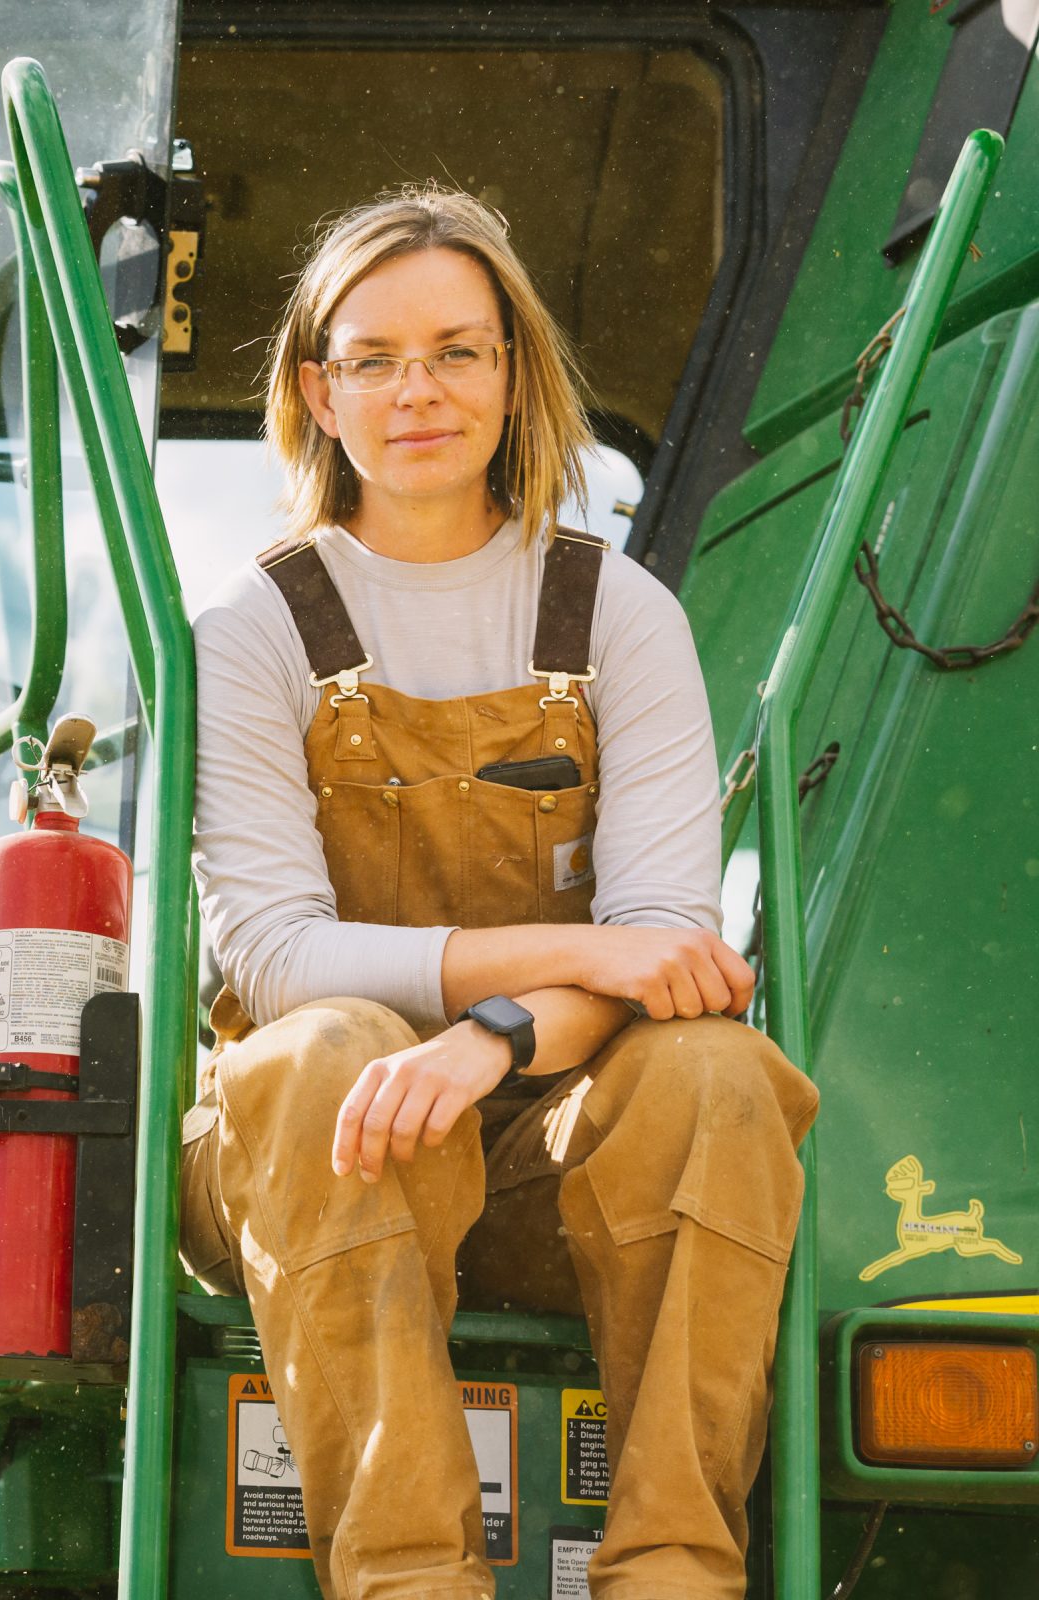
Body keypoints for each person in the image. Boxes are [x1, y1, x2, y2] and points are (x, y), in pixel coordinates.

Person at [177, 187, 819, 1600]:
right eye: (377, 358)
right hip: (312, 1158)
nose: (421, 390)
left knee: (717, 1072)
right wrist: (565, 960)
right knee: (331, 1046)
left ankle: (672, 1570)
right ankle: (410, 1579)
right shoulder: (253, 625)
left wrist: (499, 1041)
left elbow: (670, 968)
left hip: (532, 1150)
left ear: (514, 376)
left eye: (461, 351)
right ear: (316, 390)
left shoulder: (620, 615)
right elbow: (280, 959)